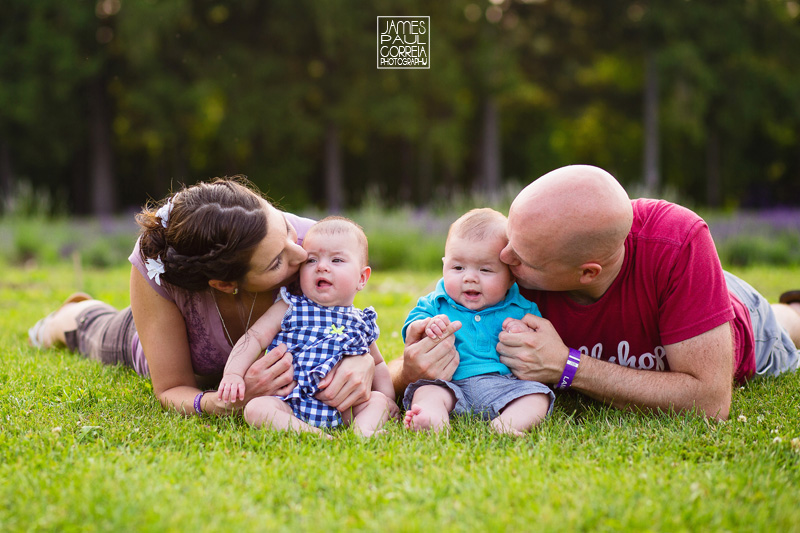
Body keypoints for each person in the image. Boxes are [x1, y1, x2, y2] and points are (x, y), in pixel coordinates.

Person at [390, 165, 800, 421]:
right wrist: (412, 370)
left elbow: (711, 402)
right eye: (510, 239)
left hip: (739, 320)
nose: (504, 257)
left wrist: (569, 366)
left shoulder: (679, 240)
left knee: (785, 321)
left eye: (523, 257)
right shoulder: (520, 256)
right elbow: (410, 360)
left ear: (586, 272)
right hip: (675, 285)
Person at [28, 177, 377, 418]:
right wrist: (226, 403)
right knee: (92, 330)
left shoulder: (312, 244)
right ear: (225, 283)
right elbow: (172, 389)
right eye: (276, 263)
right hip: (139, 337)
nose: (300, 256)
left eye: (286, 229)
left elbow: (343, 320)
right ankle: (70, 314)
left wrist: (362, 361)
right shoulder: (157, 269)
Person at [217, 217, 398, 437]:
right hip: (290, 400)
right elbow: (254, 337)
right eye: (311, 260)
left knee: (376, 401)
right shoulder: (289, 306)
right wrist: (233, 374)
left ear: (362, 278)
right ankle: (313, 434)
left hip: (343, 406)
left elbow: (377, 364)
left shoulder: (361, 321)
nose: (322, 267)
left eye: (337, 260)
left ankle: (364, 430)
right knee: (256, 409)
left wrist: (387, 399)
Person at [402, 208, 554, 435]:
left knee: (537, 396)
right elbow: (413, 327)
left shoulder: (522, 307)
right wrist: (426, 327)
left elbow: (538, 340)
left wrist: (522, 330)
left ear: (511, 275)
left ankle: (506, 425)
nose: (469, 277)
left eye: (485, 269)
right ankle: (433, 421)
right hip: (449, 385)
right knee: (427, 392)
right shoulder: (436, 303)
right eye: (457, 267)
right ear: (444, 265)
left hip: (505, 386)